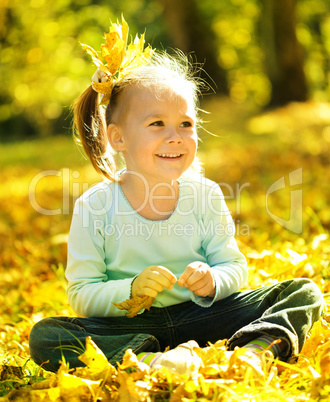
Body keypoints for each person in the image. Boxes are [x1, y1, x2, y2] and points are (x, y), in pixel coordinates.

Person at [29, 19, 323, 375]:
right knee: (47, 336)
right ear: (118, 138)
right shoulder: (95, 206)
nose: (176, 137)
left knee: (302, 292)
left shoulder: (204, 195)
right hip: (133, 327)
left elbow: (235, 268)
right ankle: (151, 361)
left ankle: (254, 351)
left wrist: (213, 280)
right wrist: (130, 289)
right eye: (157, 125)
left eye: (186, 124)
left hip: (204, 315)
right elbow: (83, 293)